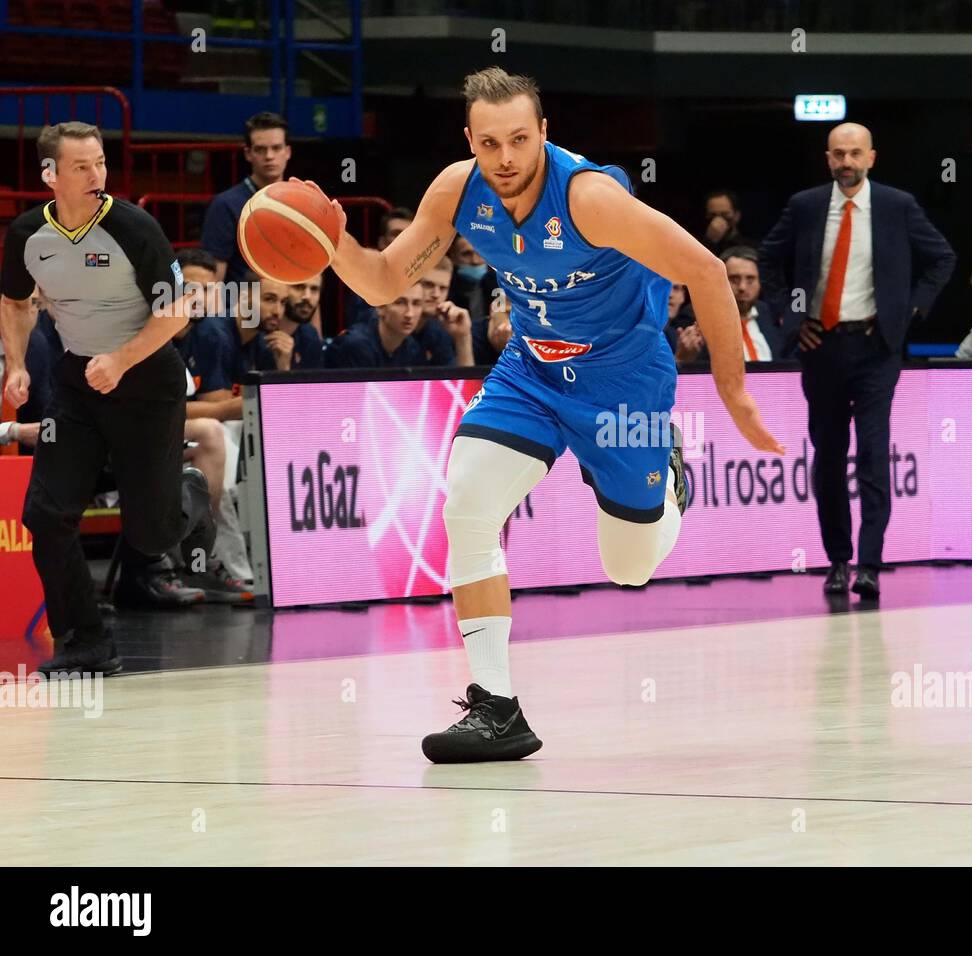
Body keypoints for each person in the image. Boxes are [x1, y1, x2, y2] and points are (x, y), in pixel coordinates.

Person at [310, 66, 782, 763]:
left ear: (544, 135)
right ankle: (497, 708)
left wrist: (734, 392)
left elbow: (707, 271)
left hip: (623, 383)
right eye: (491, 142)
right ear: (469, 138)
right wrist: (331, 245)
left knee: (628, 567)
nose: (506, 158)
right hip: (531, 368)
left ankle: (669, 482)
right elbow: (383, 279)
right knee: (467, 500)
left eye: (521, 140)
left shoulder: (590, 198)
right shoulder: (456, 190)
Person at [1, 122, 204, 675]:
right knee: (45, 515)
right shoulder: (27, 235)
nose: (97, 176)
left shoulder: (134, 227)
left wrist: (122, 359)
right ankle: (85, 641)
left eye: (101, 163)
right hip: (77, 383)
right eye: (81, 167)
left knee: (150, 533)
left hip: (146, 379)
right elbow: (16, 302)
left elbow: (178, 310)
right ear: (51, 176)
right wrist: (17, 365)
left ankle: (191, 492)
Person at [759, 121, 955, 599]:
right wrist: (793, 313)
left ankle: (870, 563)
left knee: (872, 452)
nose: (846, 162)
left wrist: (907, 310)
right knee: (827, 456)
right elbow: (767, 259)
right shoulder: (806, 206)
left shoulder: (896, 206)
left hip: (876, 347)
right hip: (821, 346)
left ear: (872, 157)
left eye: (855, 154)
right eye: (838, 154)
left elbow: (942, 258)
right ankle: (838, 560)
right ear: (828, 159)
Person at [200, 112, 291, 284]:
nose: (269, 156)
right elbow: (213, 281)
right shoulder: (226, 205)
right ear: (248, 154)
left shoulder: (299, 205)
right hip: (241, 307)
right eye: (260, 149)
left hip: (287, 306)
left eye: (276, 148)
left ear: (287, 152)